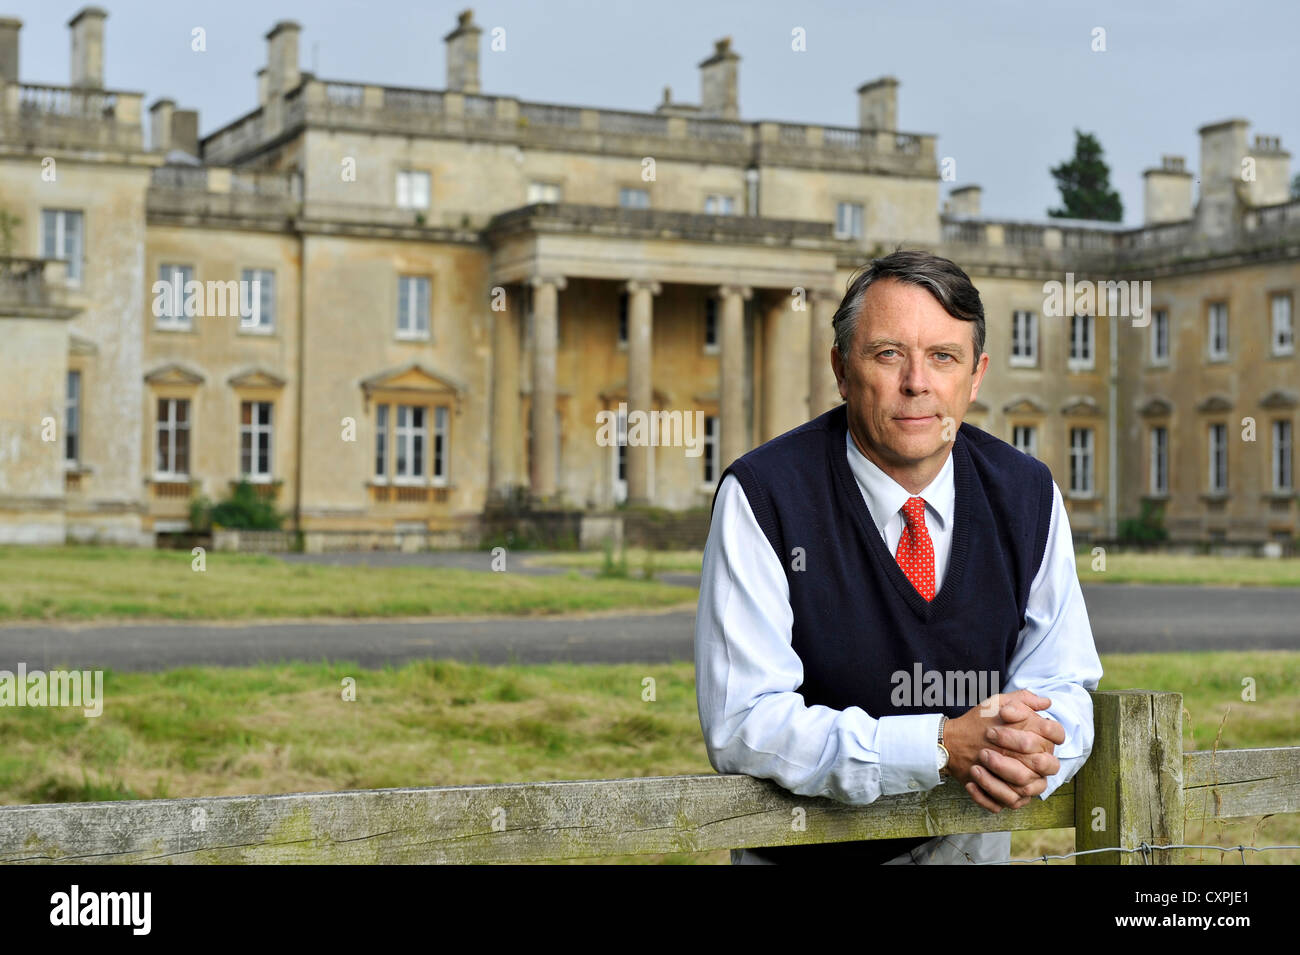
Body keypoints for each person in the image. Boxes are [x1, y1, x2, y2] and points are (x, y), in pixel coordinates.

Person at [694, 249, 1104, 864]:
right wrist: (935, 747)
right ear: (841, 368)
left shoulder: (1027, 493)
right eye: (888, 354)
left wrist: (1034, 750)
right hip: (807, 852)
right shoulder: (764, 495)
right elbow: (743, 723)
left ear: (976, 376)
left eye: (943, 357)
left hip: (970, 837)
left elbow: (1062, 681)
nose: (917, 382)